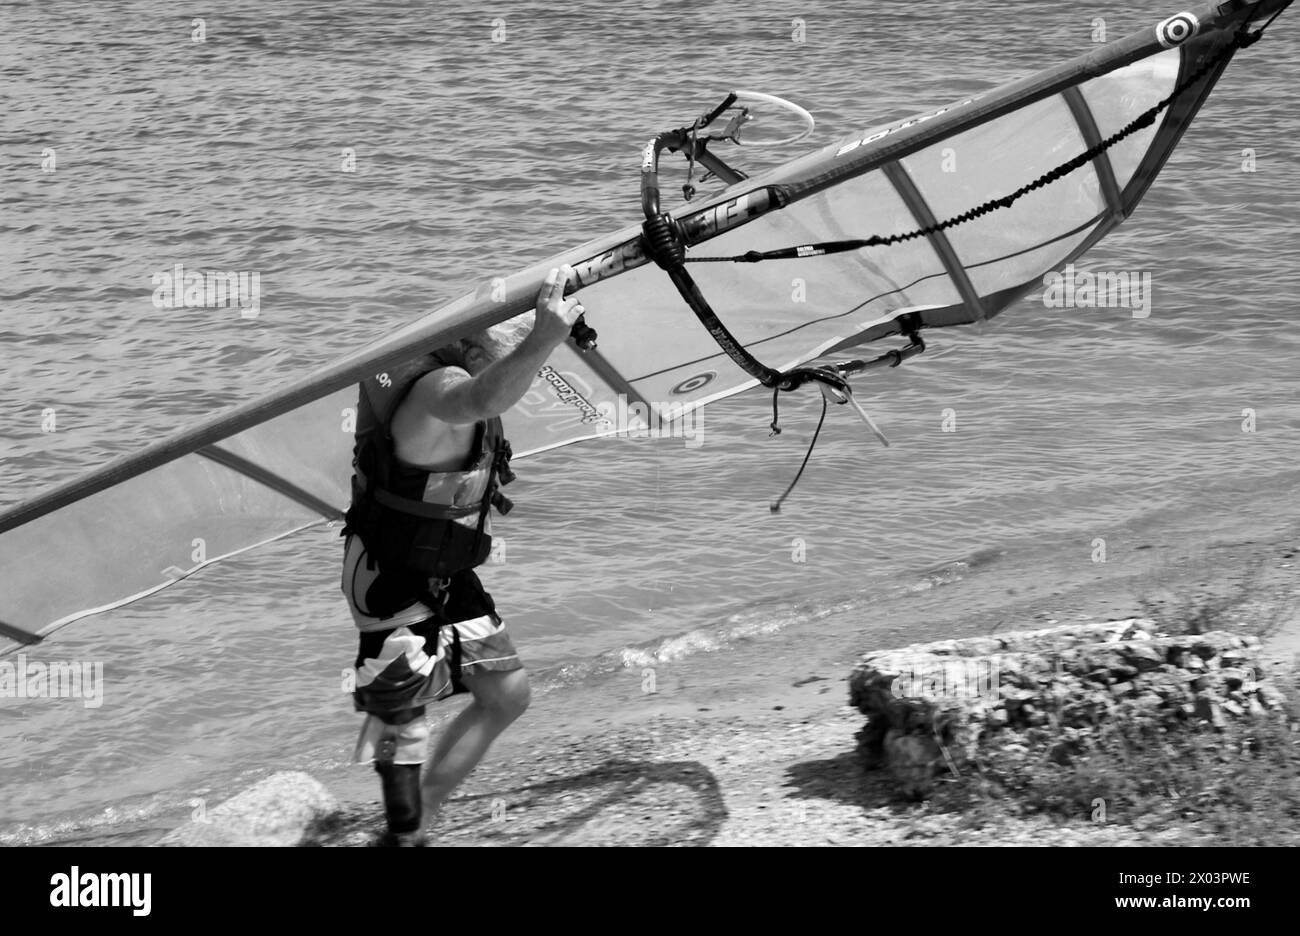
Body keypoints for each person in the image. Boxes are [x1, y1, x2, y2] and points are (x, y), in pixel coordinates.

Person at [340, 265, 585, 845]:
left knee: (506, 695)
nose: (522, 354)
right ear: (476, 340)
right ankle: (405, 826)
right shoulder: (436, 389)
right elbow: (480, 396)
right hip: (389, 576)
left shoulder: (470, 375)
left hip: (446, 567)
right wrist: (543, 337)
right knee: (406, 721)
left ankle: (424, 808)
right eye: (511, 340)